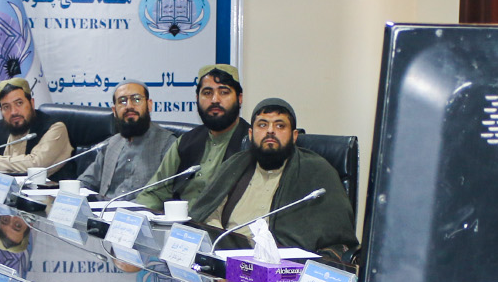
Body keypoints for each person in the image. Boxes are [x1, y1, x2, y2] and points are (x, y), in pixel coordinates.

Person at [188, 98, 358, 266]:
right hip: (226, 261)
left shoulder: (317, 171)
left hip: (282, 268)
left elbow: (336, 240)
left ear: (294, 136)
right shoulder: (234, 165)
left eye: (280, 126)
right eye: (262, 125)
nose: (270, 131)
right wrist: (221, 248)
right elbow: (207, 214)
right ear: (250, 134)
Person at [136, 64, 249, 213]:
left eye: (224, 92)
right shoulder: (185, 142)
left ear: (239, 98)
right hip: (181, 225)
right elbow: (153, 193)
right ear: (197, 99)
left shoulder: (251, 144)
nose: (215, 100)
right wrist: (137, 217)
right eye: (207, 93)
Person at [77, 81, 175, 200]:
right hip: (103, 209)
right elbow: (86, 181)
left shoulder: (167, 144)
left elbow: (164, 195)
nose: (129, 106)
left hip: (141, 210)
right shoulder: (111, 143)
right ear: (114, 111)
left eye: (136, 99)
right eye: (122, 101)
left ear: (149, 105)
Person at [0, 77, 72, 174]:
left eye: (19, 103)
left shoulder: (55, 128)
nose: (13, 112)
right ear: (1, 110)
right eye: (6, 107)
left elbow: (35, 164)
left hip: (48, 193)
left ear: (32, 103)